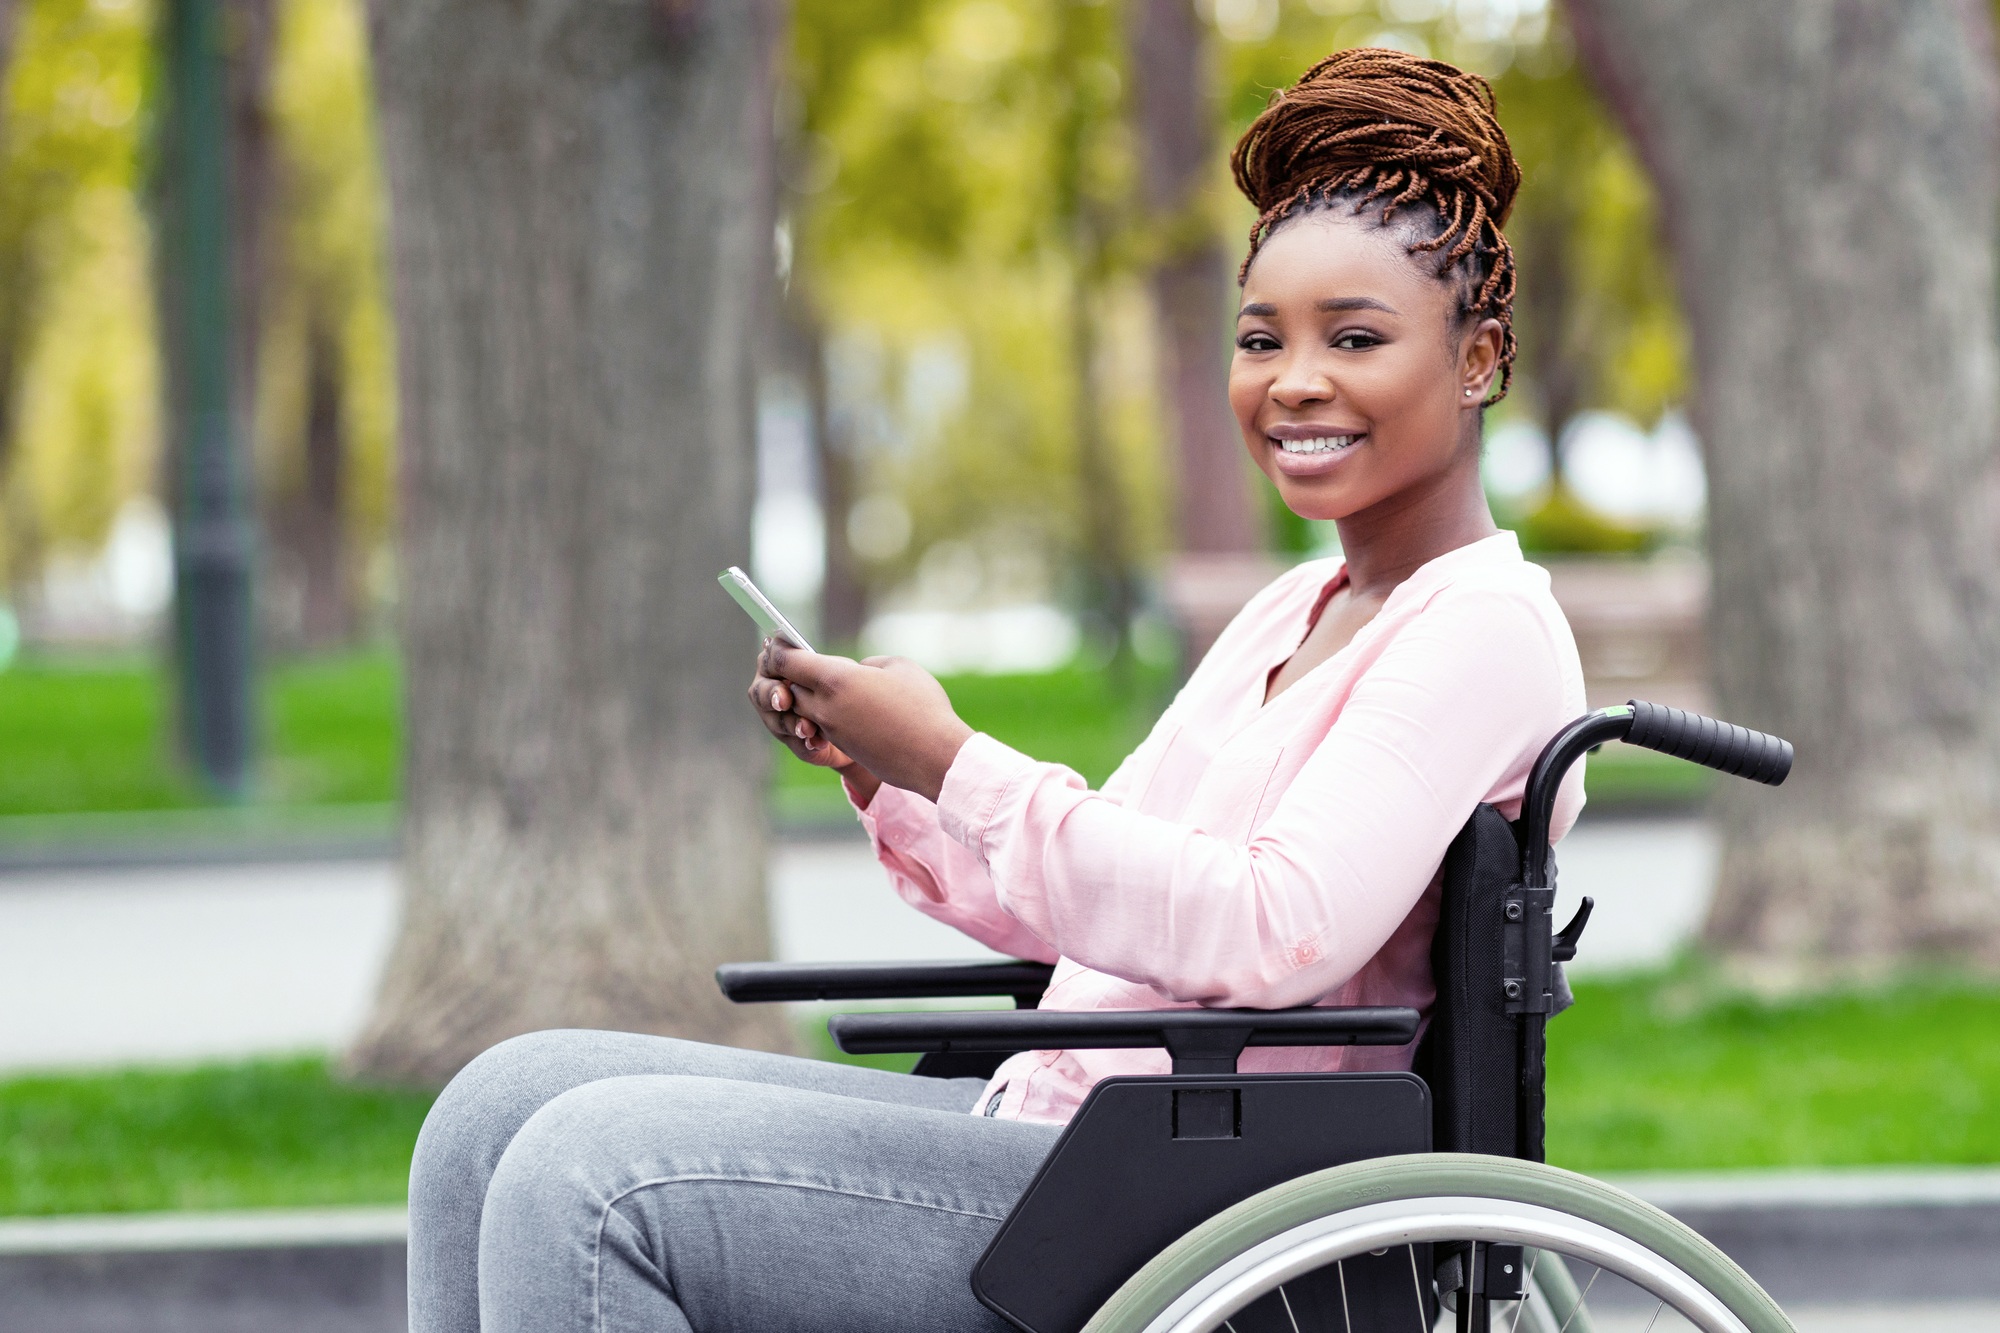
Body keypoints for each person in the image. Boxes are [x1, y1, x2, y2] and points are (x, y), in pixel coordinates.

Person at [407, 48, 1586, 1333]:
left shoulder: (1480, 629)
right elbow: (1106, 905)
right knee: (495, 1108)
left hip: (1200, 1189)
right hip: (1080, 1124)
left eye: (1351, 337)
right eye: (1261, 339)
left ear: (1475, 359)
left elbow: (1269, 927)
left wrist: (958, 758)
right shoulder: (1290, 610)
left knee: (592, 1179)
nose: (1292, 379)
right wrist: (898, 775)